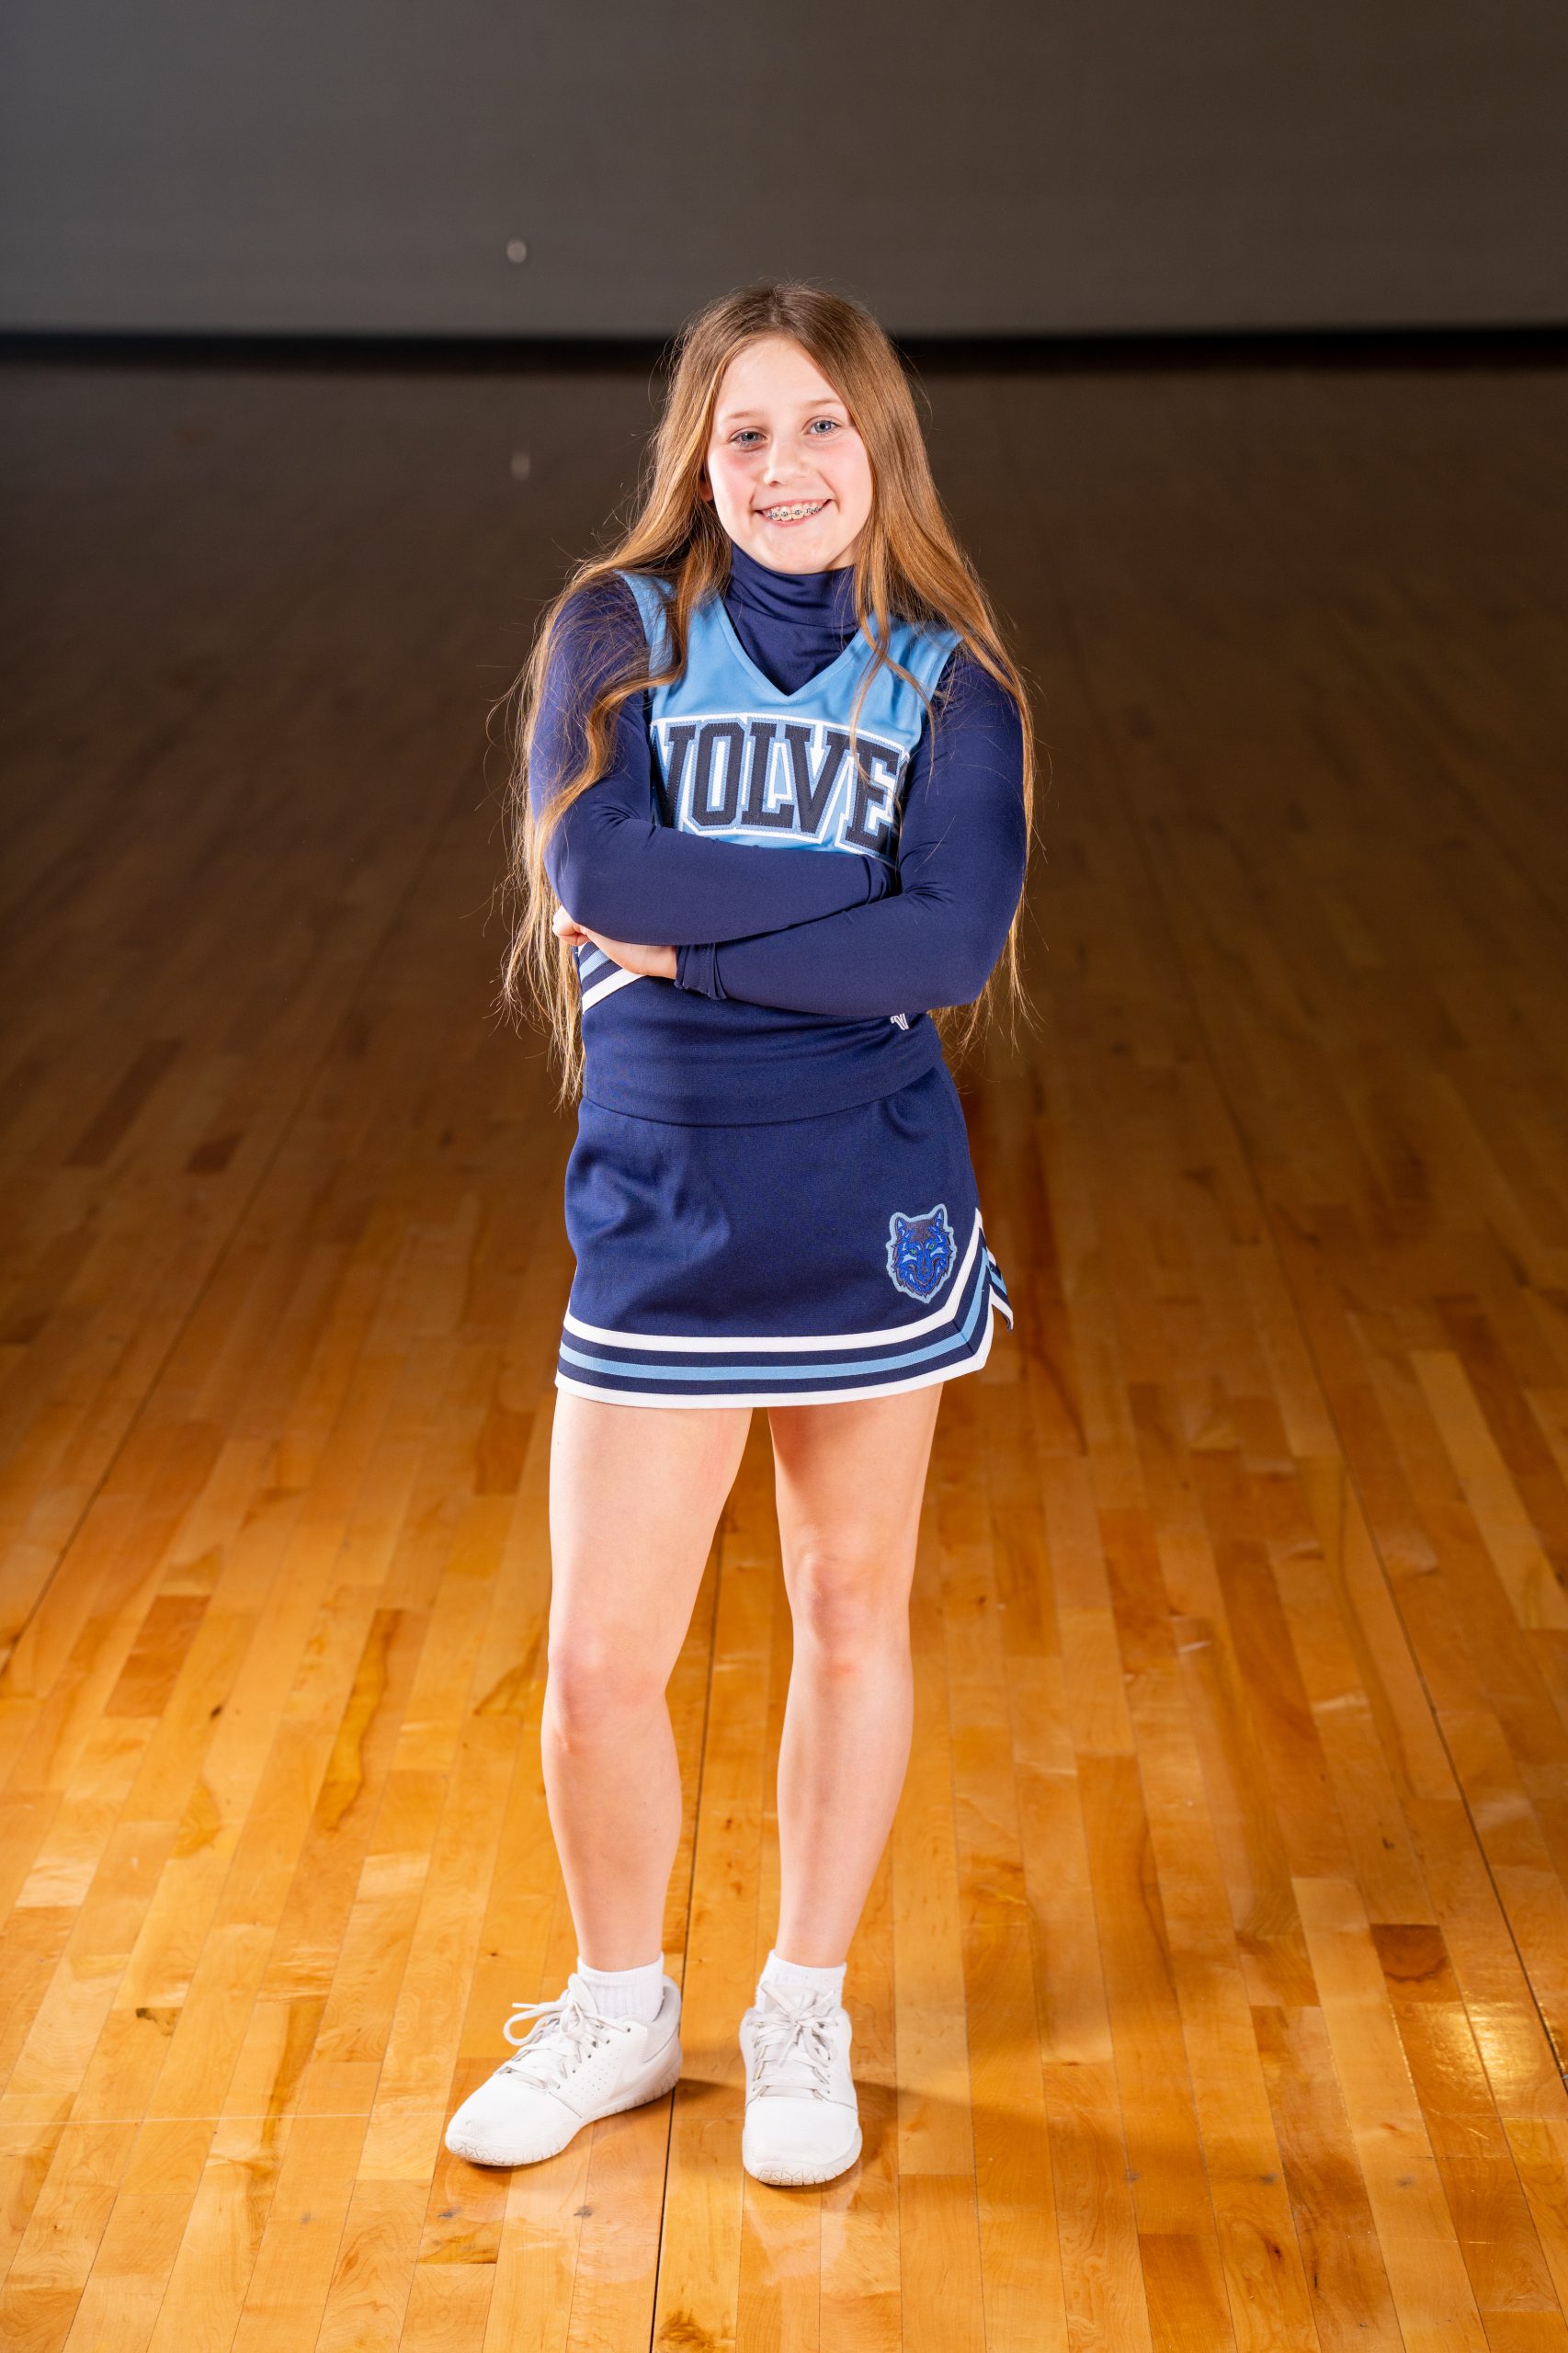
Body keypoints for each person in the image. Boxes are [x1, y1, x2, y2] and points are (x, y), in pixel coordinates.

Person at [447, 280, 1035, 2189]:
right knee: (597, 1662)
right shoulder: (614, 630)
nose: (786, 466)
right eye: (746, 432)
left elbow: (949, 943)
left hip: (868, 1197)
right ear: (696, 459)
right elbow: (589, 860)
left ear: (883, 445)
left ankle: (802, 2001)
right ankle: (619, 2006)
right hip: (664, 1202)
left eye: (822, 426)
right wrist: (846, 895)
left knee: (850, 1615)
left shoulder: (951, 682)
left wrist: (694, 948)